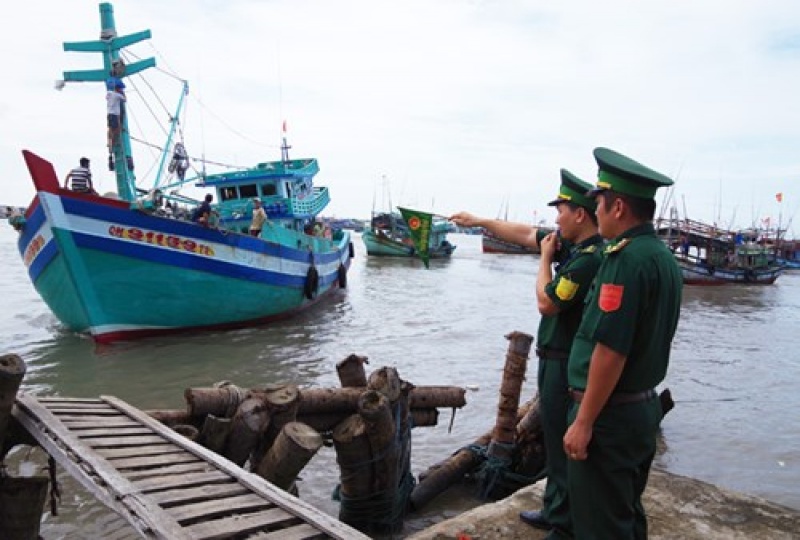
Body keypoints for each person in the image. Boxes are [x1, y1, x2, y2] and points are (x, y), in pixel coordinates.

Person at [451, 168, 604, 539]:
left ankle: (565, 521)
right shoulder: (572, 245)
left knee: (565, 438)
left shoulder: (587, 258)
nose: (555, 219)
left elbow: (546, 303)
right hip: (553, 356)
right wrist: (480, 221)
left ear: (579, 215)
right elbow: (522, 233)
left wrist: (544, 261)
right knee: (553, 436)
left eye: (561, 211)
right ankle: (555, 508)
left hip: (567, 360)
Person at [563, 147, 682, 539]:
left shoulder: (625, 261)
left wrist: (583, 422)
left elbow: (611, 350)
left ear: (618, 209)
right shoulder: (661, 257)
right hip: (639, 409)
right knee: (625, 516)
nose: (594, 211)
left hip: (608, 418)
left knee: (600, 525)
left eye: (599, 202)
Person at [106, 79, 126, 152]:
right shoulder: (118, 95)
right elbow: (125, 99)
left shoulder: (109, 93)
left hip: (109, 113)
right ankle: (113, 142)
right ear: (118, 88)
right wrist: (122, 93)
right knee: (117, 128)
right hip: (115, 114)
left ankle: (109, 142)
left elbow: (107, 97)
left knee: (110, 128)